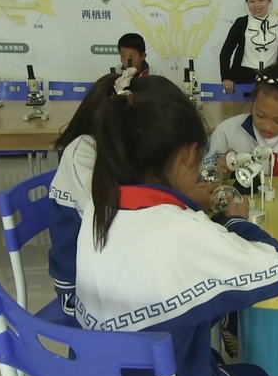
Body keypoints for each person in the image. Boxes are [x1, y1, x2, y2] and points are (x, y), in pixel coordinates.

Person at [74, 74, 278, 376]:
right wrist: (236, 222)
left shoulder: (97, 208)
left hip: (102, 375)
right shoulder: (183, 230)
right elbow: (276, 269)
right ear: (188, 155)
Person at [49, 71, 217, 317]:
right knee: (191, 301)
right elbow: (119, 221)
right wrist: (186, 200)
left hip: (118, 272)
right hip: (81, 289)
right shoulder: (82, 152)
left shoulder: (122, 151)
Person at [204, 63, 278, 178]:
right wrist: (218, 172)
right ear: (253, 102)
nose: (267, 126)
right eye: (260, 115)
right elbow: (202, 176)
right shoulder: (227, 133)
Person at [219, 0, 278, 94]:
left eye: (261, 0)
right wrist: (226, 77)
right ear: (247, 3)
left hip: (272, 79)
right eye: (252, 1)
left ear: (269, 0)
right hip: (243, 79)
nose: (256, 5)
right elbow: (225, 53)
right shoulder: (241, 23)